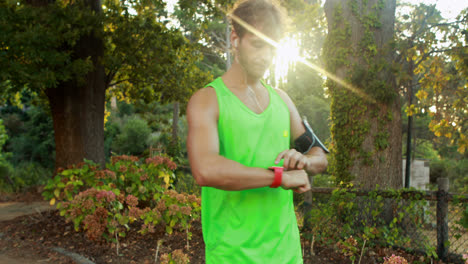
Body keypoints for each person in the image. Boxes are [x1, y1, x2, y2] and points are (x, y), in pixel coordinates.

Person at [187, 0, 328, 263]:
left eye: (272, 47)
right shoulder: (207, 100)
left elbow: (320, 155)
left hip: (286, 254)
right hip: (232, 256)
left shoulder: (283, 101)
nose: (266, 56)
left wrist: (305, 161)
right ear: (235, 39)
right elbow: (205, 169)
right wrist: (278, 177)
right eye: (258, 44)